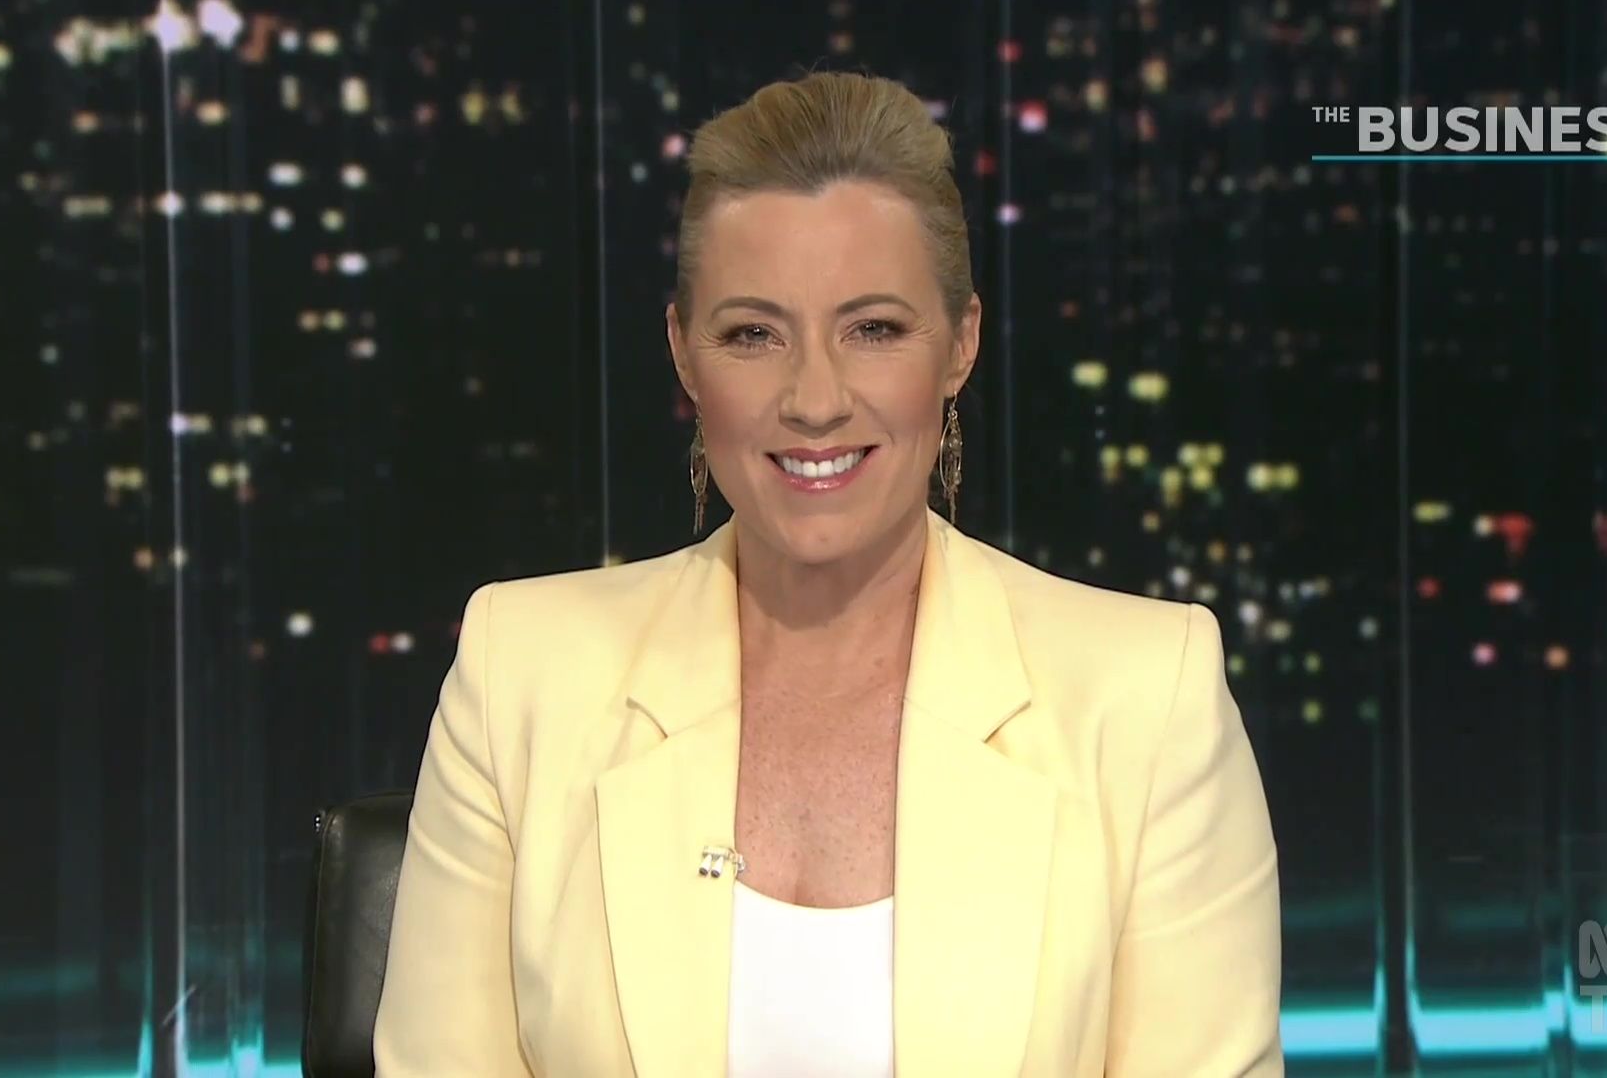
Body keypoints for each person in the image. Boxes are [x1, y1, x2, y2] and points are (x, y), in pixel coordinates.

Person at [373, 70, 1283, 1077]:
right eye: (753, 334)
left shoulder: (1146, 699)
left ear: (961, 344)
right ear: (684, 354)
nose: (814, 400)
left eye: (874, 330)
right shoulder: (522, 674)